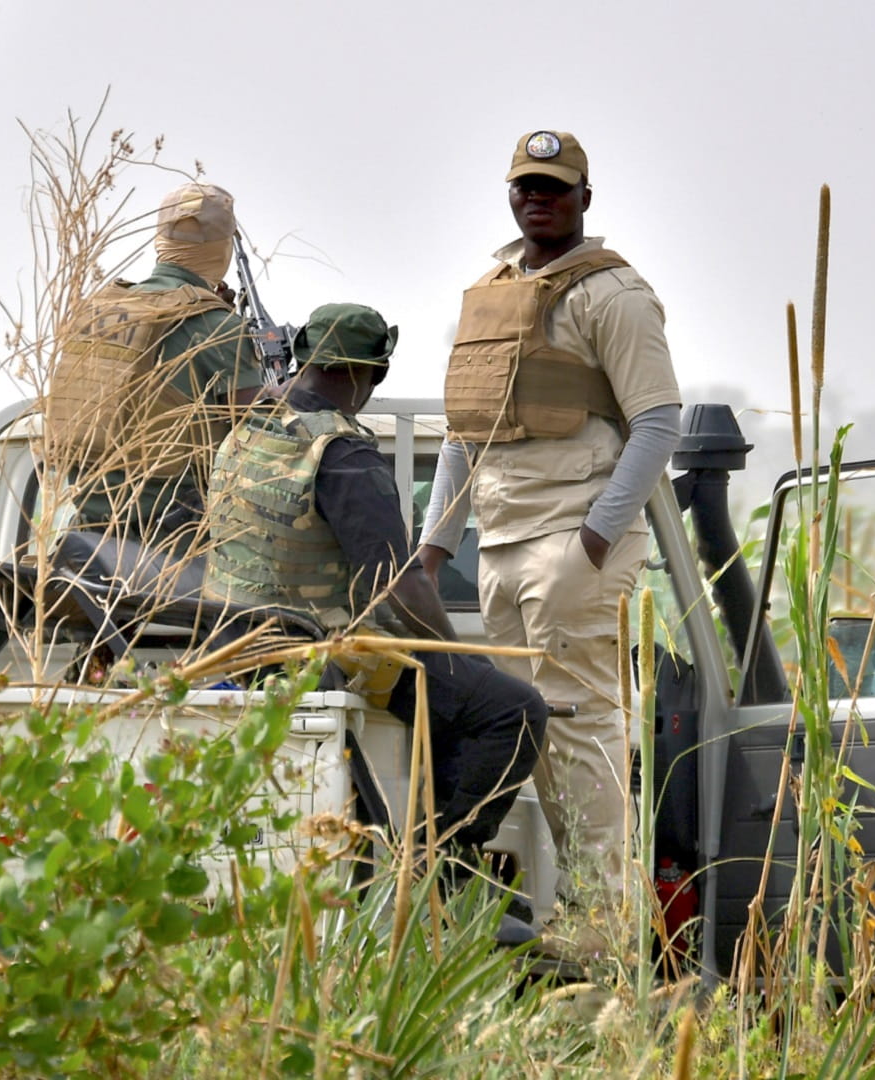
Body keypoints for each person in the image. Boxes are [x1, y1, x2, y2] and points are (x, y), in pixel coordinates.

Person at [417, 131, 683, 925]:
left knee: (580, 734)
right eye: (527, 185)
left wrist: (593, 541)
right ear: (510, 194)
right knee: (519, 734)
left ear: (584, 200)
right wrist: (434, 546)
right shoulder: (490, 293)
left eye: (556, 187)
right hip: (498, 544)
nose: (540, 198)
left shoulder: (615, 294)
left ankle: (603, 931)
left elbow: (659, 423)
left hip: (569, 540)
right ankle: (539, 918)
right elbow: (466, 431)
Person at [205, 302, 548, 860]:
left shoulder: (244, 433)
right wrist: (455, 659)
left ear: (303, 357)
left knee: (453, 689)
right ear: (372, 372)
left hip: (233, 651)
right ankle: (438, 869)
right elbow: (400, 582)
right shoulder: (340, 450)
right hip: (309, 660)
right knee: (510, 709)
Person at [46, 182, 264, 552]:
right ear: (222, 250)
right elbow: (260, 432)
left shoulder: (95, 312)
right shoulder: (217, 328)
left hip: (87, 534)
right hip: (172, 546)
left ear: (160, 241)